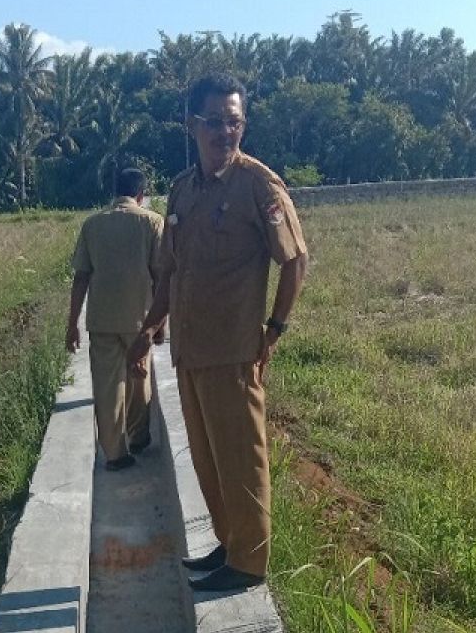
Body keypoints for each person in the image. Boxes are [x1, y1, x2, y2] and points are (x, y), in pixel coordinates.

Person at [127, 72, 308, 592]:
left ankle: (249, 565)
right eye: (214, 122)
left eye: (234, 122)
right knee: (208, 460)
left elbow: (294, 261)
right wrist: (150, 327)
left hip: (234, 352)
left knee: (242, 460)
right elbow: (169, 271)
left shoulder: (258, 185)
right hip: (189, 351)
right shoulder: (183, 192)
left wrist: (273, 329)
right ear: (192, 125)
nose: (224, 132)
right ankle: (229, 545)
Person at [67, 167, 165, 471]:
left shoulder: (92, 225)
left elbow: (81, 277)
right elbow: (161, 276)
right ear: (141, 194)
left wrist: (72, 324)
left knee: (108, 388)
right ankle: (138, 436)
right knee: (139, 379)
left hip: (102, 320)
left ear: (114, 192)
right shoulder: (151, 222)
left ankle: (114, 454)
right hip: (140, 320)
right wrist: (160, 325)